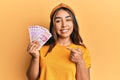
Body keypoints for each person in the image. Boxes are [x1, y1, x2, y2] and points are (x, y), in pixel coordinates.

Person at [26, 3, 91, 80]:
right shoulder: (42, 48)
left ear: (73, 23)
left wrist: (80, 61)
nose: (64, 25)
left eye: (68, 20)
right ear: (53, 25)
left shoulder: (82, 51)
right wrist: (35, 57)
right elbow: (31, 78)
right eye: (58, 21)